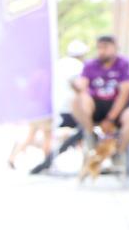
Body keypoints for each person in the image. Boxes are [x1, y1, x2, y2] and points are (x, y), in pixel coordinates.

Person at [72, 34, 129, 171]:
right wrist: (76, 87)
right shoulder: (90, 65)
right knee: (77, 100)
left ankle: (118, 151)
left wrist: (111, 119)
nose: (101, 51)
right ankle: (90, 133)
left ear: (115, 48)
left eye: (105, 47)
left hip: (118, 106)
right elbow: (82, 87)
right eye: (99, 48)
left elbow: (124, 93)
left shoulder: (124, 64)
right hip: (95, 106)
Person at [17, 39, 87, 172]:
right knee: (79, 134)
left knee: (39, 135)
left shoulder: (57, 65)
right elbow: (78, 87)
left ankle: (19, 157)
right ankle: (48, 162)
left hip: (51, 107)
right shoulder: (78, 66)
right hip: (68, 108)